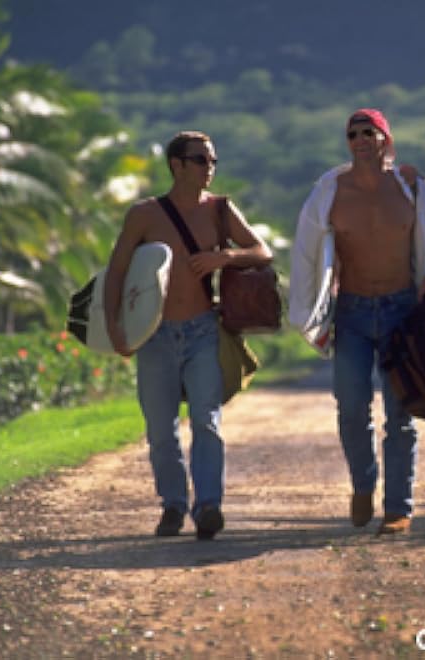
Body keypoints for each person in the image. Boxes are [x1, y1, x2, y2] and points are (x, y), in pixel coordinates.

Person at [289, 109, 425, 535]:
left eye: (369, 132)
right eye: (353, 134)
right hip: (353, 313)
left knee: (401, 414)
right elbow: (306, 251)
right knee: (350, 407)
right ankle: (363, 484)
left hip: (403, 310)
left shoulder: (409, 186)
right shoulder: (329, 190)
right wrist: (308, 311)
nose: (361, 139)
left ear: (386, 139)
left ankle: (398, 508)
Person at [103, 130, 273, 540]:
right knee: (161, 430)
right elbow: (117, 271)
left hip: (203, 332)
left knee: (206, 421)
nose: (209, 168)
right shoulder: (144, 215)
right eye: (200, 160)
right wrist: (114, 327)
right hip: (155, 335)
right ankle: (174, 505)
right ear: (176, 165)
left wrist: (224, 256)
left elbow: (262, 251)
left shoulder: (219, 210)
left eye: (213, 161)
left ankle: (209, 505)